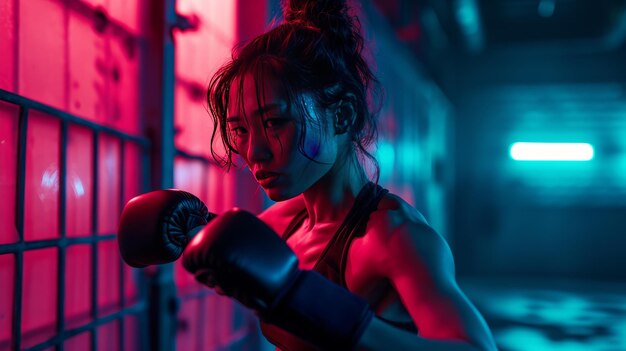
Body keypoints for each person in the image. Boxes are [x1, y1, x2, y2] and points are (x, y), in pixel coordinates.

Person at [199, 0, 496, 350]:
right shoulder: (280, 225)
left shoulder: (394, 238)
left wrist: (347, 326)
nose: (254, 153)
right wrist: (189, 228)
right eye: (240, 131)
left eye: (274, 122)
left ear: (341, 116)